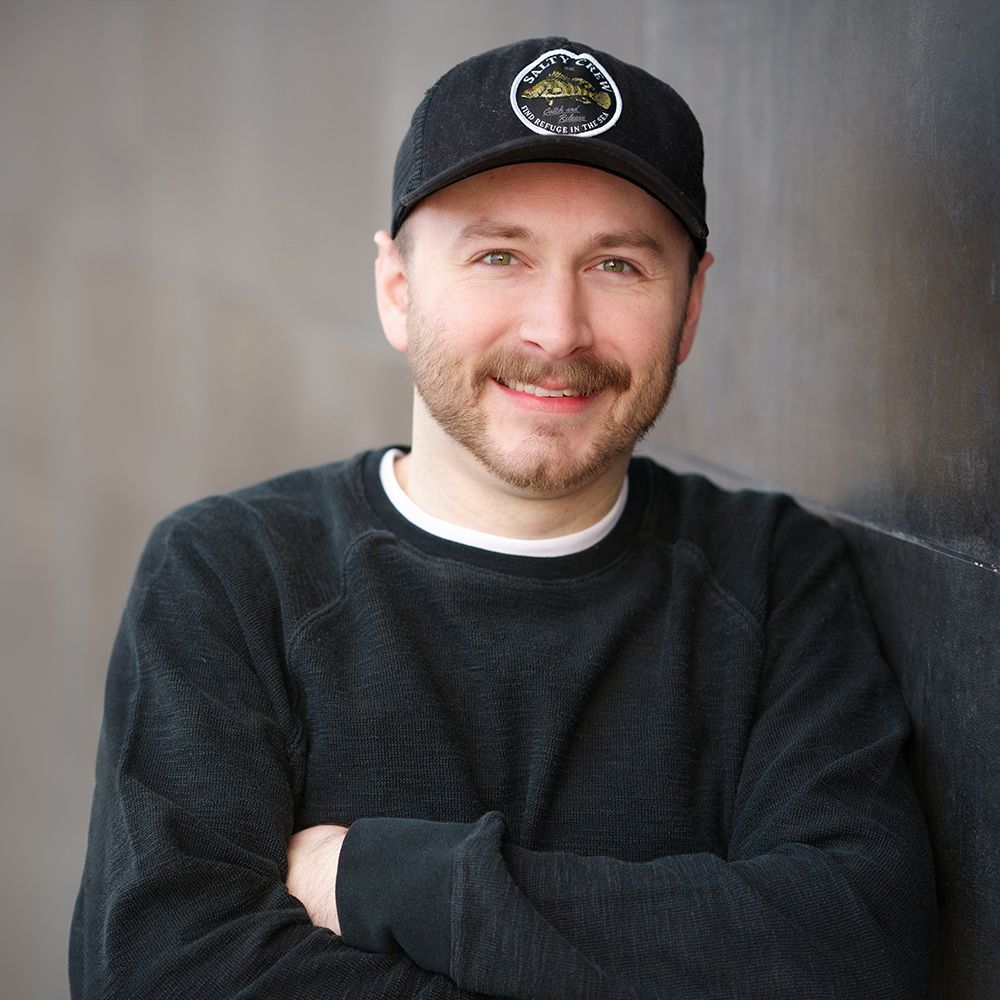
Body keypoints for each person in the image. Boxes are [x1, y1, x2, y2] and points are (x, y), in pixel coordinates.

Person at [70, 36, 936, 999]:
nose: (557, 331)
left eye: (616, 265)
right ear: (398, 290)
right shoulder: (234, 575)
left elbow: (854, 946)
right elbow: (161, 970)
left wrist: (385, 880)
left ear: (690, 308)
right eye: (499, 256)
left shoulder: (776, 576)